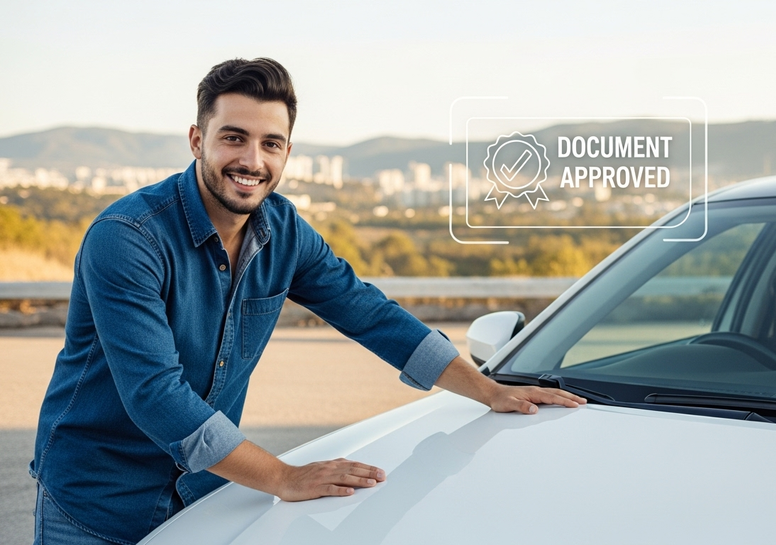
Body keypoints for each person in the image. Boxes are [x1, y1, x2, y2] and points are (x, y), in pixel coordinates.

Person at [30, 57, 585, 545]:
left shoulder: (284, 230)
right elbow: (155, 394)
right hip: (97, 500)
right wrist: (282, 476)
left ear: (287, 152)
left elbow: (367, 312)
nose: (252, 159)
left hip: (207, 493)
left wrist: (488, 391)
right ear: (197, 139)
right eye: (233, 137)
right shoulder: (129, 237)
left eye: (270, 144)